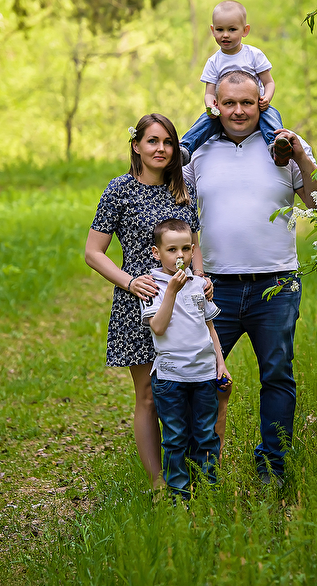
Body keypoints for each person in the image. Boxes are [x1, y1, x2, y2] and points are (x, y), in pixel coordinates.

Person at [183, 70, 317, 485]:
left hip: (276, 286)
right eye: (229, 103)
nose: (238, 111)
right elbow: (176, 216)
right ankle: (200, 469)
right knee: (200, 377)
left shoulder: (283, 149)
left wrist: (302, 155)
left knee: (277, 376)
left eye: (247, 103)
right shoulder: (198, 153)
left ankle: (272, 467)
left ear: (261, 103)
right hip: (214, 288)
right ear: (216, 105)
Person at [84, 113, 210, 490]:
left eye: (168, 142)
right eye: (153, 141)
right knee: (149, 396)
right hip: (140, 303)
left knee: (188, 390)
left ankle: (193, 473)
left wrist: (202, 279)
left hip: (185, 308)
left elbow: (194, 244)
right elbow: (93, 252)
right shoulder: (119, 189)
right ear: (136, 145)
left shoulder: (183, 190)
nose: (161, 149)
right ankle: (159, 483)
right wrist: (129, 281)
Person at [140, 218, 231, 500]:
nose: (179, 256)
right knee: (175, 438)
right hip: (170, 377)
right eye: (171, 250)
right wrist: (171, 291)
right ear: (156, 253)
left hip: (204, 374)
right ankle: (179, 496)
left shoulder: (199, 284)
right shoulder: (152, 286)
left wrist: (220, 363)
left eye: (185, 249)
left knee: (205, 435)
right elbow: (158, 327)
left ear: (193, 250)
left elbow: (210, 328)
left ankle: (208, 491)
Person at [180, 0, 293, 166]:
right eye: (220, 30)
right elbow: (209, 92)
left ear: (245, 30)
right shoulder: (214, 62)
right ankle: (184, 149)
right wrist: (210, 106)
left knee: (271, 115)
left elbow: (269, 82)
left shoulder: (253, 55)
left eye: (232, 29)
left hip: (255, 107)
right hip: (224, 111)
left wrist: (267, 98)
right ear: (212, 30)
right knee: (204, 121)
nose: (225, 35)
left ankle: (276, 147)